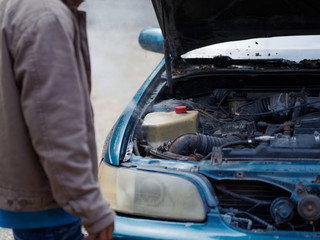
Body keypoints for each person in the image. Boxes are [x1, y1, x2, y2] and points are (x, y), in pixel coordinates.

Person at [0, 0, 115, 239]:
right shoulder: (46, 17)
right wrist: (92, 208)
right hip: (49, 202)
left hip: (30, 194)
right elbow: (56, 133)